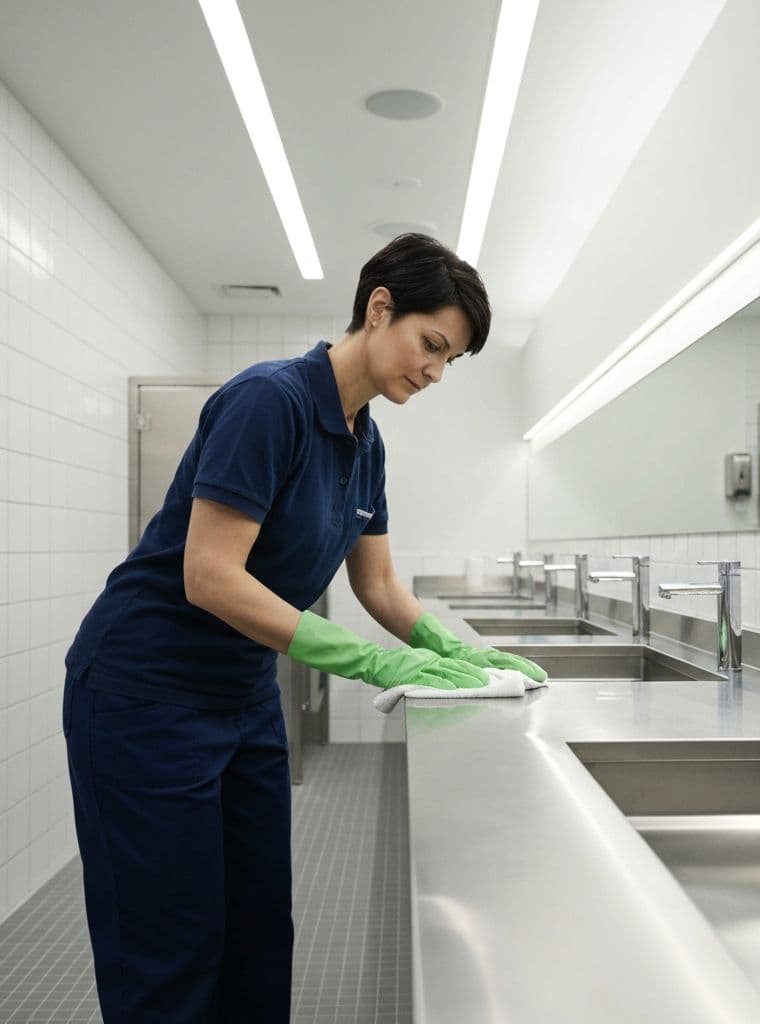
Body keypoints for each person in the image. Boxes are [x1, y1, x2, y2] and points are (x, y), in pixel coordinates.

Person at [62, 233, 545, 1023]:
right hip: (144, 694)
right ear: (378, 307)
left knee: (258, 935)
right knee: (170, 948)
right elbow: (209, 575)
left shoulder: (366, 442)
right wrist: (372, 664)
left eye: (448, 360)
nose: (432, 371)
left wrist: (460, 650)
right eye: (431, 344)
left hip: (243, 698)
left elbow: (378, 581)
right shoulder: (270, 402)